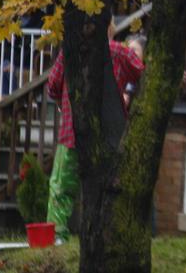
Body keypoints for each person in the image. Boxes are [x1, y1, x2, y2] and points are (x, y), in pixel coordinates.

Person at [46, 20, 144, 243]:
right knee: (107, 188)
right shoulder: (119, 52)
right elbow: (143, 73)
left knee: (61, 187)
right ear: (110, 30)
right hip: (108, 136)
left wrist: (65, 99)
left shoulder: (69, 52)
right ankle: (109, 235)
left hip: (72, 132)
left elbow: (52, 85)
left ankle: (57, 236)